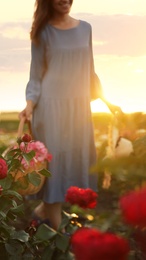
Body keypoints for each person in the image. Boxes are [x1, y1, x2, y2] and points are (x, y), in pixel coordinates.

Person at [19, 0, 122, 231]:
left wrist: (107, 102)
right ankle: (60, 238)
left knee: (75, 164)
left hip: (79, 110)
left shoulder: (86, 28)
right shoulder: (42, 33)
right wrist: (29, 105)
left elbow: (90, 72)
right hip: (49, 109)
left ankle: (41, 214)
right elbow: (35, 76)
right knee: (53, 171)